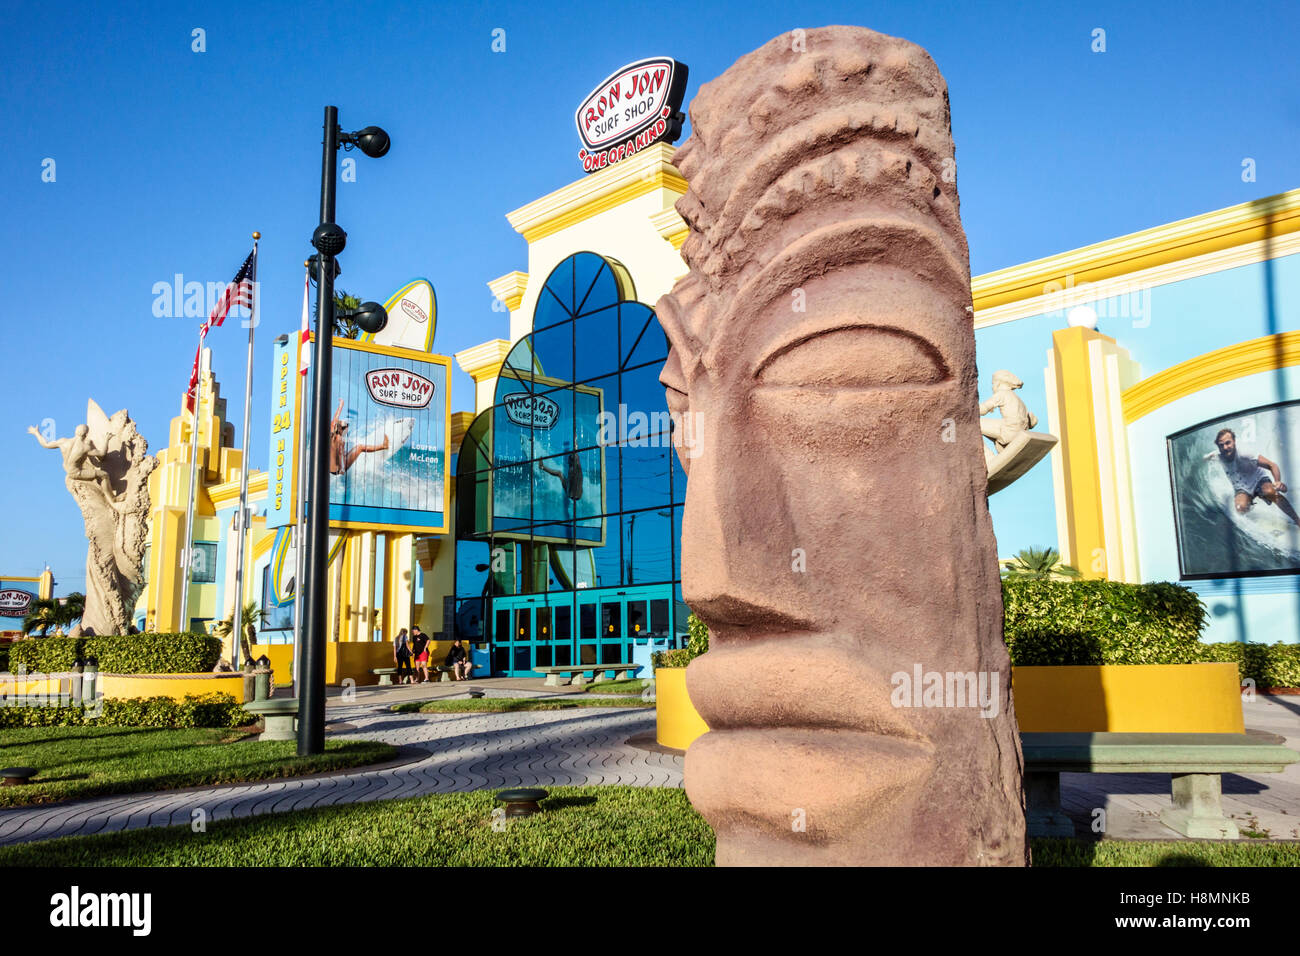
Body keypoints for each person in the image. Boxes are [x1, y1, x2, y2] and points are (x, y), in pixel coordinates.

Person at [1209, 428, 1300, 526]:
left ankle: (1297, 520)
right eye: (1221, 445)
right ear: (1218, 447)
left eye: (1228, 443)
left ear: (1234, 441)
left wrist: (1277, 481)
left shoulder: (1244, 454)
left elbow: (1272, 465)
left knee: (1270, 492)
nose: (1225, 447)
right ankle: (1251, 502)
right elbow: (1205, 458)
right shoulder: (1217, 457)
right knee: (1240, 508)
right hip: (1242, 489)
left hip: (1259, 480)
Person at [330, 398, 389, 476]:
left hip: (329, 467)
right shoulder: (340, 440)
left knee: (343, 450)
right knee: (360, 447)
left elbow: (335, 418)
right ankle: (384, 446)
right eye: (346, 426)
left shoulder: (332, 430)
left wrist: (341, 405)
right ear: (341, 430)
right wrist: (342, 469)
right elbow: (340, 455)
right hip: (337, 469)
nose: (347, 428)